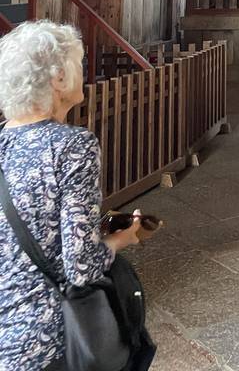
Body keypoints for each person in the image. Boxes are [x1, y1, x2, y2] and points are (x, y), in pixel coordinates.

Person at [0, 21, 147, 371]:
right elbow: (81, 267)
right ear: (57, 78)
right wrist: (121, 239)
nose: (84, 72)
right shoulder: (72, 147)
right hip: (47, 340)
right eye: (78, 64)